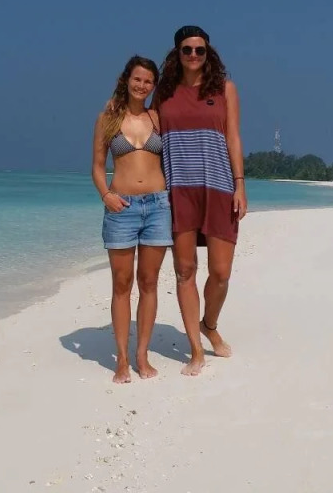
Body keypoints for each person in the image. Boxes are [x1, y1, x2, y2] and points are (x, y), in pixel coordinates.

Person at [154, 25, 247, 376]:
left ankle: (209, 324)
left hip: (219, 187)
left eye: (200, 50)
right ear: (176, 54)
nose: (193, 55)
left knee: (220, 273)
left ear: (209, 54)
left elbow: (233, 137)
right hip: (178, 190)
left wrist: (240, 184)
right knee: (185, 271)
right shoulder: (164, 92)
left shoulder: (224, 89)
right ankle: (195, 350)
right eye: (187, 50)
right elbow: (147, 131)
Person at [91, 55, 172, 383]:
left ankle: (142, 354)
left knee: (149, 282)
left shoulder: (158, 118)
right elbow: (98, 166)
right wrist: (106, 195)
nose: (142, 85)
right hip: (121, 208)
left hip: (158, 207)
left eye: (148, 81)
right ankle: (122, 359)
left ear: (154, 86)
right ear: (126, 80)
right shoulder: (107, 119)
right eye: (137, 79)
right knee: (122, 284)